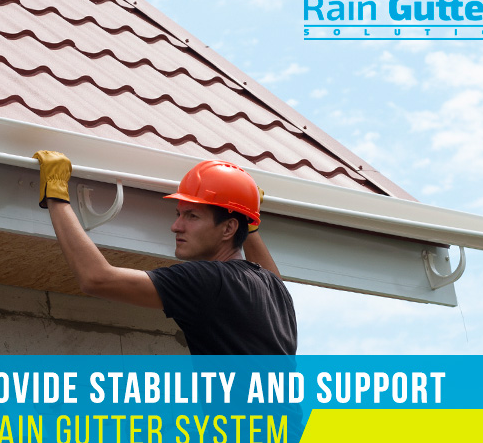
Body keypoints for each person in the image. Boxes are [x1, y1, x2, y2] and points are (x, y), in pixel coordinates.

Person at [33, 151, 298, 355]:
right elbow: (268, 272)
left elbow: (97, 279)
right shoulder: (275, 291)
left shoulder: (208, 280)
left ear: (229, 228)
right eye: (178, 214)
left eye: (192, 216)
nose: (175, 226)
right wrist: (247, 217)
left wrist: (57, 195)